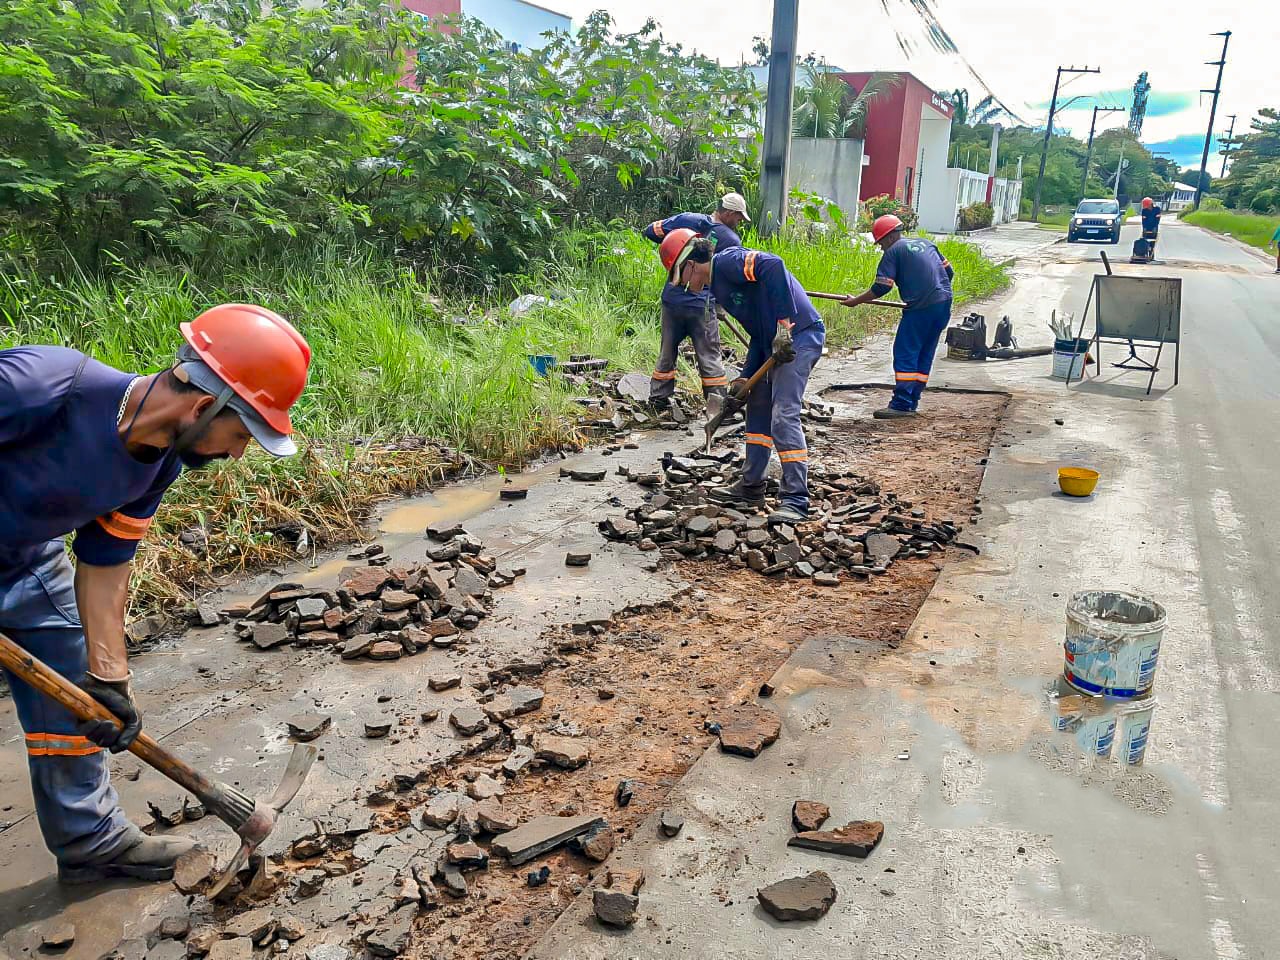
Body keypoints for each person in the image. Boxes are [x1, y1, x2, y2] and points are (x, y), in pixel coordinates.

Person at [0, 303, 310, 884]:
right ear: (202, 406)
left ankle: (91, 841)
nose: (237, 454)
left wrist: (109, 680)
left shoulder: (158, 464)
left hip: (26, 565)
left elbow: (105, 560)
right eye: (240, 433)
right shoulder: (42, 385)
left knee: (71, 698)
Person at [664, 236, 826, 524]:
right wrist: (744, 377)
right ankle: (752, 486)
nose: (684, 286)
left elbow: (773, 265)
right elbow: (759, 333)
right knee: (757, 409)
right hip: (770, 344)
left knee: (783, 415)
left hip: (799, 336)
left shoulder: (726, 263)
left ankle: (796, 499)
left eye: (682, 277)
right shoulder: (719, 288)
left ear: (690, 264)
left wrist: (784, 325)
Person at [640, 193, 752, 404]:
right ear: (728, 213)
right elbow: (730, 277)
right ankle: (717, 404)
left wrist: (676, 247)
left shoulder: (688, 221)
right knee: (709, 356)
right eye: (738, 217)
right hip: (702, 306)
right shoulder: (730, 239)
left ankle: (658, 398)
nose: (739, 222)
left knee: (666, 352)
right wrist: (722, 304)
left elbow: (651, 231)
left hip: (672, 301)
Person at [842, 215, 953, 419]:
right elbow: (949, 273)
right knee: (924, 352)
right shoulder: (926, 243)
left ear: (889, 237)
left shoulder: (893, 251)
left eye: (881, 243)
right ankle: (912, 400)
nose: (881, 248)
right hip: (944, 304)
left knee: (905, 352)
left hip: (921, 307)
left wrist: (856, 301)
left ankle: (901, 404)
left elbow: (882, 286)